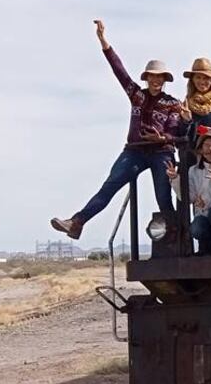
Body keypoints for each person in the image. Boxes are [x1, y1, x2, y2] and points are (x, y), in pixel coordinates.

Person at [51, 19, 189, 240]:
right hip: (134, 150)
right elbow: (119, 70)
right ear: (147, 78)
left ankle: (174, 240)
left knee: (163, 197)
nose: (155, 80)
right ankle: (77, 222)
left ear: (164, 80)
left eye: (159, 77)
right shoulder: (137, 94)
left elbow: (175, 133)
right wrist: (104, 41)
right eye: (152, 76)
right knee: (110, 186)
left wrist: (161, 137)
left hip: (161, 152)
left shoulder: (173, 103)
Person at [166, 127, 211, 255]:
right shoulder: (193, 171)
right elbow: (187, 197)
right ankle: (205, 250)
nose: (210, 149)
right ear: (200, 150)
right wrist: (174, 179)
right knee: (196, 228)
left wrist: (209, 202)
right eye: (206, 146)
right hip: (202, 214)